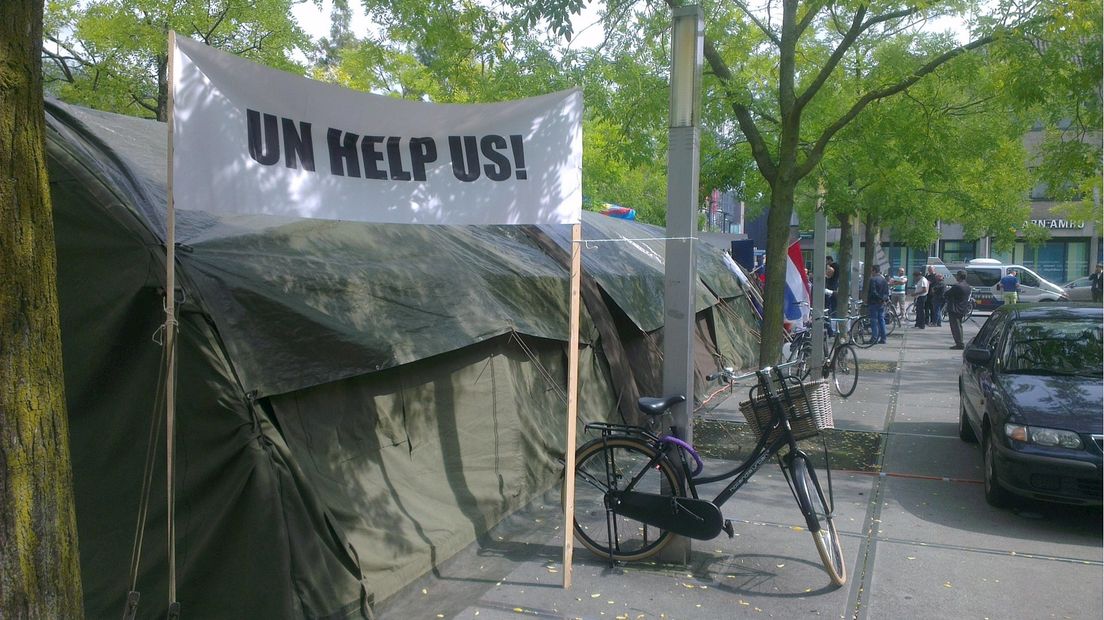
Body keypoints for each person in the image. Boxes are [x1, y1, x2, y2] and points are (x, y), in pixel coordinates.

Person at [946, 270, 972, 350]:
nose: (956, 277)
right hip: (962, 308)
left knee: (955, 327)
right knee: (959, 326)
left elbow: (947, 294)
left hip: (954, 309)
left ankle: (959, 343)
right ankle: (959, 342)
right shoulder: (967, 286)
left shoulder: (957, 286)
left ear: (959, 276)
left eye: (957, 275)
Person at [867, 265, 889, 344]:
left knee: (874, 321)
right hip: (881, 303)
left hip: (874, 302)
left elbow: (873, 292)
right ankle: (883, 338)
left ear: (874, 271)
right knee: (881, 320)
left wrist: (878, 298)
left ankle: (874, 338)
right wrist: (883, 299)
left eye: (871, 270)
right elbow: (887, 292)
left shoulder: (873, 280)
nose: (871, 272)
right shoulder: (884, 280)